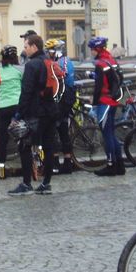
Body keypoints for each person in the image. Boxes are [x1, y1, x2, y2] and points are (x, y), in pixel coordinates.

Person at [8, 35, 59, 196]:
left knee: (25, 146)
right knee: (49, 147)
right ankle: (46, 184)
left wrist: (18, 114)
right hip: (51, 110)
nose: (24, 50)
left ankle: (26, 183)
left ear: (34, 47)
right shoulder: (50, 62)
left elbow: (27, 92)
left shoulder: (32, 65)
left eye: (26, 47)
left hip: (35, 112)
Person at [89, 37, 126, 177]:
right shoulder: (111, 60)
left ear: (97, 49)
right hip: (113, 101)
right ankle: (120, 165)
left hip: (104, 102)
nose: (91, 52)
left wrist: (94, 103)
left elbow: (98, 87)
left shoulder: (100, 64)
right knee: (111, 133)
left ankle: (111, 165)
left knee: (107, 135)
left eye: (92, 49)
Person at [48, 39, 76, 174]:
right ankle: (67, 162)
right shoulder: (67, 60)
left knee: (54, 132)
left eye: (50, 51)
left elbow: (61, 77)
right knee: (64, 132)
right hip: (66, 100)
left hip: (60, 101)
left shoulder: (60, 63)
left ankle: (55, 163)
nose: (48, 53)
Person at [0, 45, 23, 178]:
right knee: (22, 136)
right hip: (17, 104)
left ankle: (1, 169)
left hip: (2, 106)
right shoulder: (19, 70)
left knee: (3, 138)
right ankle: (26, 164)